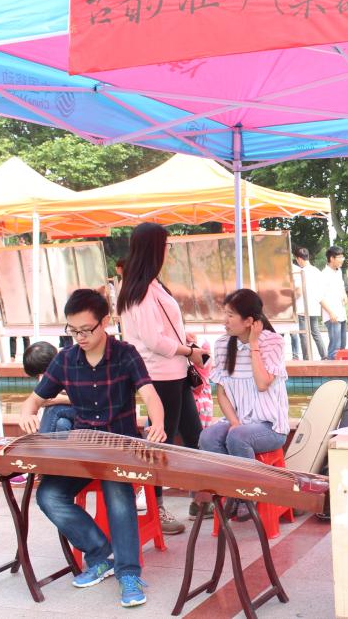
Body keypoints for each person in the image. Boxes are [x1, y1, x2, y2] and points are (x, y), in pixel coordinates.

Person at [18, 289, 166, 609]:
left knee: (118, 498)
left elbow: (150, 395)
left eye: (86, 329)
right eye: (73, 331)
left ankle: (129, 573)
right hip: (84, 449)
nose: (80, 337)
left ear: (105, 322)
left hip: (119, 448)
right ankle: (100, 554)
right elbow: (34, 399)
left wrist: (158, 424)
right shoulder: (66, 359)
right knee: (49, 495)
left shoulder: (125, 354)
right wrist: (27, 413)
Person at [117, 222, 205, 534]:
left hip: (174, 373)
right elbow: (153, 341)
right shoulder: (140, 291)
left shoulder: (151, 284)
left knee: (194, 436)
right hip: (159, 375)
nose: (168, 252)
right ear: (154, 249)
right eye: (165, 246)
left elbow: (162, 331)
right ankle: (156, 508)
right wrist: (189, 351)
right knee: (160, 442)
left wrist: (184, 341)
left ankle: (201, 499)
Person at [200, 289, 289, 462]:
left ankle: (248, 480)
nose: (225, 321)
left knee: (238, 437)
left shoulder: (273, 341)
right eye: (225, 314)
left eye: (230, 315)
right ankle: (227, 480)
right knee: (207, 437)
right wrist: (234, 422)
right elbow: (222, 393)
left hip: (271, 427)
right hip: (238, 421)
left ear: (248, 321)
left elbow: (262, 384)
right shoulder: (222, 344)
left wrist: (254, 344)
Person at [22, 341, 77, 433]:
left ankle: (42, 440)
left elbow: (89, 400)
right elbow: (35, 400)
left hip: (92, 412)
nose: (42, 376)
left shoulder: (72, 365)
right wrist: (26, 415)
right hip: (71, 413)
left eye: (43, 373)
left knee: (53, 409)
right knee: (62, 423)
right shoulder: (51, 372)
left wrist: (60, 399)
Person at [289, 247, 327, 361]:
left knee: (304, 334)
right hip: (314, 307)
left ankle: (307, 358)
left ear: (299, 259)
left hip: (302, 307)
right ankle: (324, 356)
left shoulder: (301, 272)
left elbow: (299, 291)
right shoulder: (316, 271)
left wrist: (290, 301)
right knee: (315, 332)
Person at [321, 246, 348, 360]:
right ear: (332, 258)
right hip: (332, 315)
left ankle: (341, 368)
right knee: (335, 347)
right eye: (340, 257)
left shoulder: (339, 271)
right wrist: (330, 313)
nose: (342, 259)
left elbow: (341, 286)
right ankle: (332, 368)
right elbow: (320, 297)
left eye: (343, 257)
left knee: (342, 346)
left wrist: (345, 294)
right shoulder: (324, 274)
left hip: (341, 313)